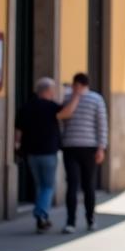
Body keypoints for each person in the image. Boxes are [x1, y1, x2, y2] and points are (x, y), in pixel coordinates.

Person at [14, 77, 80, 232]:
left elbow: (18, 133)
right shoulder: (51, 107)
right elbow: (67, 113)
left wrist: (17, 147)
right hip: (48, 152)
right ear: (48, 91)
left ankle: (42, 218)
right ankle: (41, 212)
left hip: (31, 154)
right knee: (48, 186)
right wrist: (75, 95)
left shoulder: (25, 107)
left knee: (40, 185)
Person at [60, 72, 108, 233]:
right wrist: (74, 97)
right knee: (72, 184)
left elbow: (102, 124)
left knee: (89, 185)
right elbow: (63, 119)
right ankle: (70, 221)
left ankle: (90, 219)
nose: (73, 88)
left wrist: (101, 148)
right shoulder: (67, 98)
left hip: (89, 148)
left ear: (79, 85)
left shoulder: (96, 99)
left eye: (75, 85)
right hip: (70, 147)